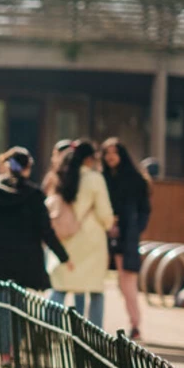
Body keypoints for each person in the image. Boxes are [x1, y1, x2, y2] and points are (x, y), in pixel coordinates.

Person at [0, 147, 70, 368]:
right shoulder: (35, 195)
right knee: (17, 304)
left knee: (0, 302)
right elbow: (45, 230)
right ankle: (11, 343)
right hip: (25, 259)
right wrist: (63, 256)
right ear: (28, 168)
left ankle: (4, 349)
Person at [48, 140, 115, 328]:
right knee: (95, 290)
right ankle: (94, 334)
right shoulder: (95, 179)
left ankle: (45, 329)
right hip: (92, 242)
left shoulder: (61, 175)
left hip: (66, 239)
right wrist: (110, 222)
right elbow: (105, 213)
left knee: (60, 288)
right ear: (89, 159)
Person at [102, 138, 152, 340]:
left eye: (114, 152)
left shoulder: (135, 180)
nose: (110, 157)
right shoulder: (101, 178)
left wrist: (134, 229)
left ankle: (135, 324)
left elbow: (144, 210)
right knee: (96, 282)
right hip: (102, 238)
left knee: (127, 284)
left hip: (126, 239)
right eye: (107, 153)